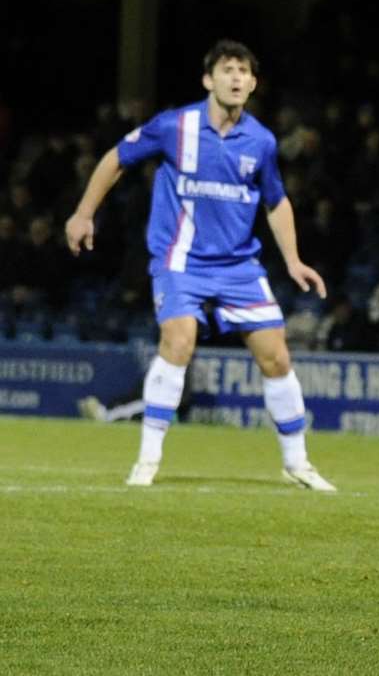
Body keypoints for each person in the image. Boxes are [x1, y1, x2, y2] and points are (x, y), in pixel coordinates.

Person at [62, 40, 334, 491]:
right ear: (208, 79)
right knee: (179, 340)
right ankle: (147, 460)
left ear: (253, 83)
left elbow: (276, 201)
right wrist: (84, 212)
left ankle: (297, 462)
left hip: (240, 267)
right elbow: (116, 158)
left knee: (276, 355)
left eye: (244, 71)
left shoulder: (261, 140)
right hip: (180, 262)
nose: (236, 78)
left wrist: (293, 259)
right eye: (227, 69)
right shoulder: (175, 126)